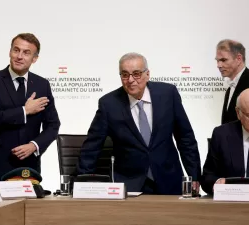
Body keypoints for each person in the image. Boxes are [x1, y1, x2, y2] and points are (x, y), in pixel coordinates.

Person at [77, 52, 201, 194]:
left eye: (136, 74)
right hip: (129, 185)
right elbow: (92, 146)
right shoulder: (109, 104)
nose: (130, 80)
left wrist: (195, 175)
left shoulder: (168, 94)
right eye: (125, 74)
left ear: (147, 74)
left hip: (169, 179)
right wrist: (82, 183)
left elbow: (185, 137)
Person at [0, 33, 60, 181]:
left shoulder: (42, 85)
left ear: (34, 59)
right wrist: (25, 111)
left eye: (26, 53)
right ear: (10, 52)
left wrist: (34, 146)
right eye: (16, 50)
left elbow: (53, 125)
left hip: (28, 166)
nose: (19, 56)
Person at [202, 88, 249, 195]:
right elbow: (207, 177)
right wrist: (218, 183)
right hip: (233, 203)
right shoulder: (222, 135)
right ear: (238, 113)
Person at [216, 39, 249, 124]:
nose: (219, 65)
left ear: (239, 58)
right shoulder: (230, 88)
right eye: (217, 60)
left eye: (223, 60)